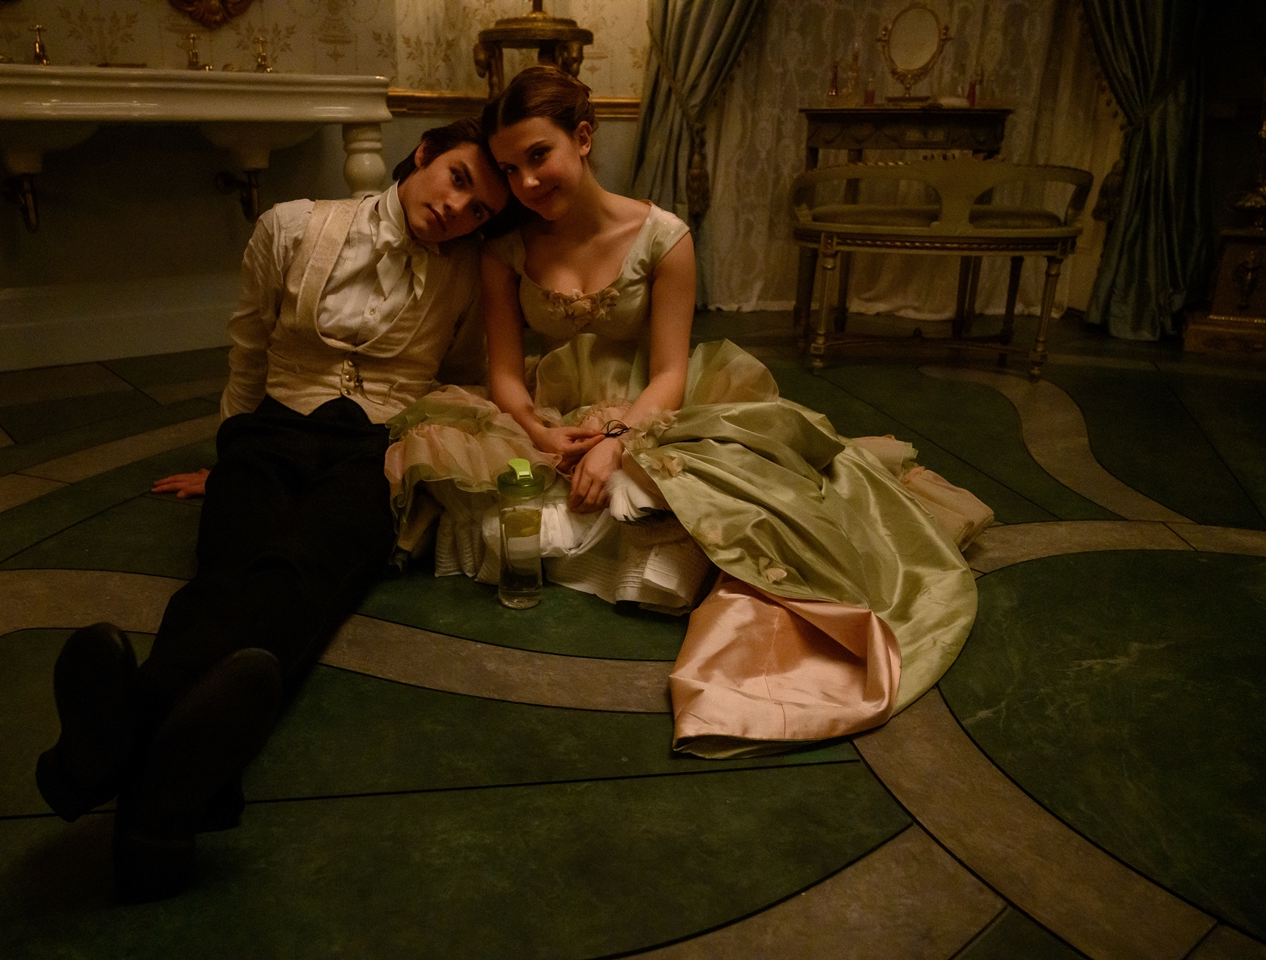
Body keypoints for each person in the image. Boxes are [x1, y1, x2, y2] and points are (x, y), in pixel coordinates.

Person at [386, 67, 993, 758]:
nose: (524, 182)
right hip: (550, 406)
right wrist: (539, 431)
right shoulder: (507, 248)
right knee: (477, 480)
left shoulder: (663, 235)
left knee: (728, 500)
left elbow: (671, 372)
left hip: (652, 403)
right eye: (507, 169)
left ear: (582, 138)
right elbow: (502, 373)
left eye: (537, 155)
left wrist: (618, 438)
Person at [35, 120, 512, 901]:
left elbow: (459, 375)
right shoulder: (291, 226)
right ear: (424, 154)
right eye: (458, 179)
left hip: (377, 449)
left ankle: (106, 750)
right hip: (272, 428)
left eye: (480, 209)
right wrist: (226, 456)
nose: (459, 210)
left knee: (302, 572)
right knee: (228, 566)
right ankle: (164, 811)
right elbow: (249, 349)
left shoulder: (467, 274)